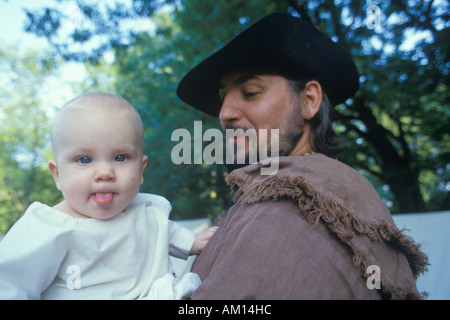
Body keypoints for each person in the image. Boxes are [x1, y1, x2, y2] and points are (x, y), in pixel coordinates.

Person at [176, 12, 429, 299]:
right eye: (223, 97)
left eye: (250, 91)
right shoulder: (340, 193)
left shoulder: (283, 205)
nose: (224, 113)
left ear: (308, 101)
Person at [0, 92, 216, 300]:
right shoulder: (46, 227)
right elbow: (9, 282)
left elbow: (166, 232)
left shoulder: (146, 211)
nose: (104, 173)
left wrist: (193, 242)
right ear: (58, 175)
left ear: (140, 170)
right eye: (84, 160)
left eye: (120, 157)